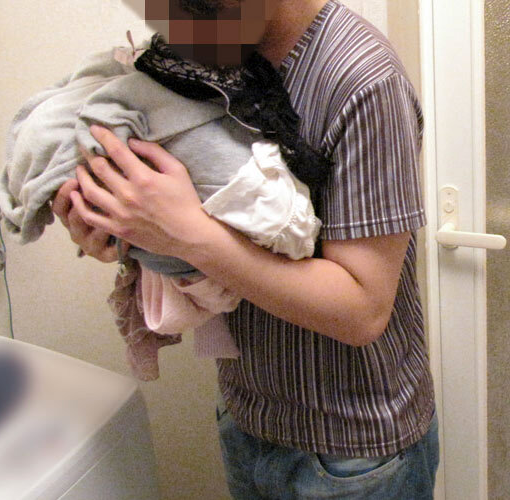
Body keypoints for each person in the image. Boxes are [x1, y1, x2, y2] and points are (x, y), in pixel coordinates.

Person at [52, 0, 438, 498]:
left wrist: (185, 234)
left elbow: (362, 310)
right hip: (247, 417)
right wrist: (125, 232)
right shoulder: (212, 48)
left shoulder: (363, 79)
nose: (175, 32)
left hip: (353, 451)